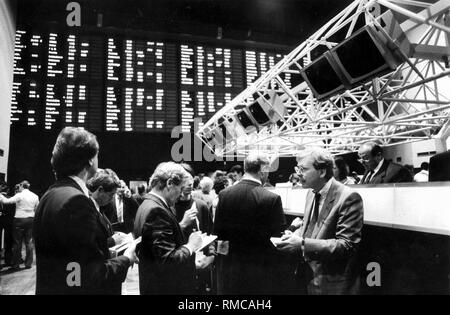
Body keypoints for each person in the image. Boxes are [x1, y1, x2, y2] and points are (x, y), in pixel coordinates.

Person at [33, 127, 137, 295]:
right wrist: (126, 259)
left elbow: (70, 262)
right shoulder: (77, 201)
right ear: (90, 160)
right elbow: (88, 276)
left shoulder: (50, 194)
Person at [277, 148, 364, 295]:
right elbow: (309, 225)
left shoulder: (349, 197)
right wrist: (294, 235)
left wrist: (302, 244)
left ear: (322, 171)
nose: (298, 174)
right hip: (307, 277)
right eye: (298, 168)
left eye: (303, 169)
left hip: (331, 283)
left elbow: (347, 245)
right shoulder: (311, 194)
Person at [214, 153, 286, 294]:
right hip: (259, 270)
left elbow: (218, 233)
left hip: (230, 268)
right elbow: (277, 237)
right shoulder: (272, 198)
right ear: (262, 171)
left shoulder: (223, 195)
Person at [133, 162, 203, 295]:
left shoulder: (146, 204)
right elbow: (167, 261)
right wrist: (191, 246)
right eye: (181, 188)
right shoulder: (157, 211)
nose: (181, 194)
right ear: (170, 183)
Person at [0, 180, 39, 270]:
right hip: (31, 219)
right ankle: (28, 264)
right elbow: (37, 209)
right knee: (29, 242)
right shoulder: (35, 196)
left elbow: (7, 201)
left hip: (19, 219)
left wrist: (0, 196)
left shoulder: (19, 195)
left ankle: (16, 265)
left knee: (17, 243)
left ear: (22, 186)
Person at [87, 169, 128, 249]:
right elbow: (90, 245)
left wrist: (114, 234)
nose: (112, 198)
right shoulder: (88, 209)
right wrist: (112, 240)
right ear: (100, 190)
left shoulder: (100, 207)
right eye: (111, 195)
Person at [0, 183, 15, 270]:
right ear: (8, 190)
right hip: (9, 221)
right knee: (8, 241)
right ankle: (8, 260)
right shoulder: (11, 199)